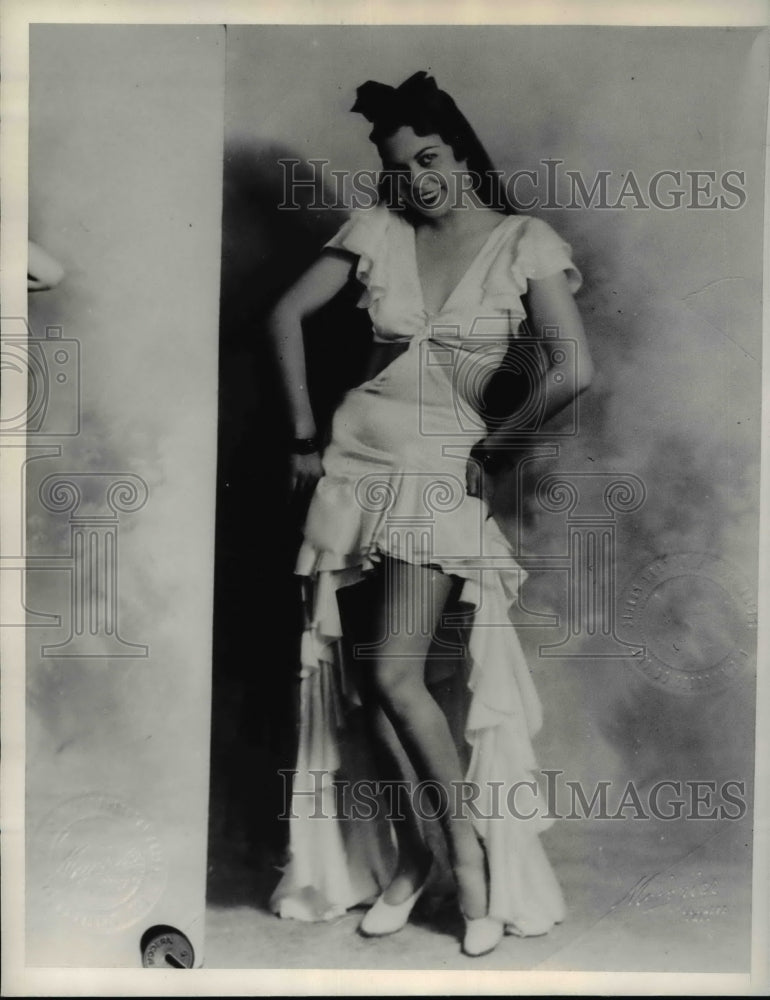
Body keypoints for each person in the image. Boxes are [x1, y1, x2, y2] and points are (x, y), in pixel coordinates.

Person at [266, 71, 594, 957]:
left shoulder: (523, 240)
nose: (417, 179)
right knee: (373, 681)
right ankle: (415, 860)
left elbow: (571, 370)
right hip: (354, 467)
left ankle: (466, 859)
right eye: (400, 167)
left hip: (435, 474)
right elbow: (284, 315)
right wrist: (303, 437)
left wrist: (498, 445)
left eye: (430, 157)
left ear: (459, 152)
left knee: (397, 676)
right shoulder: (378, 228)